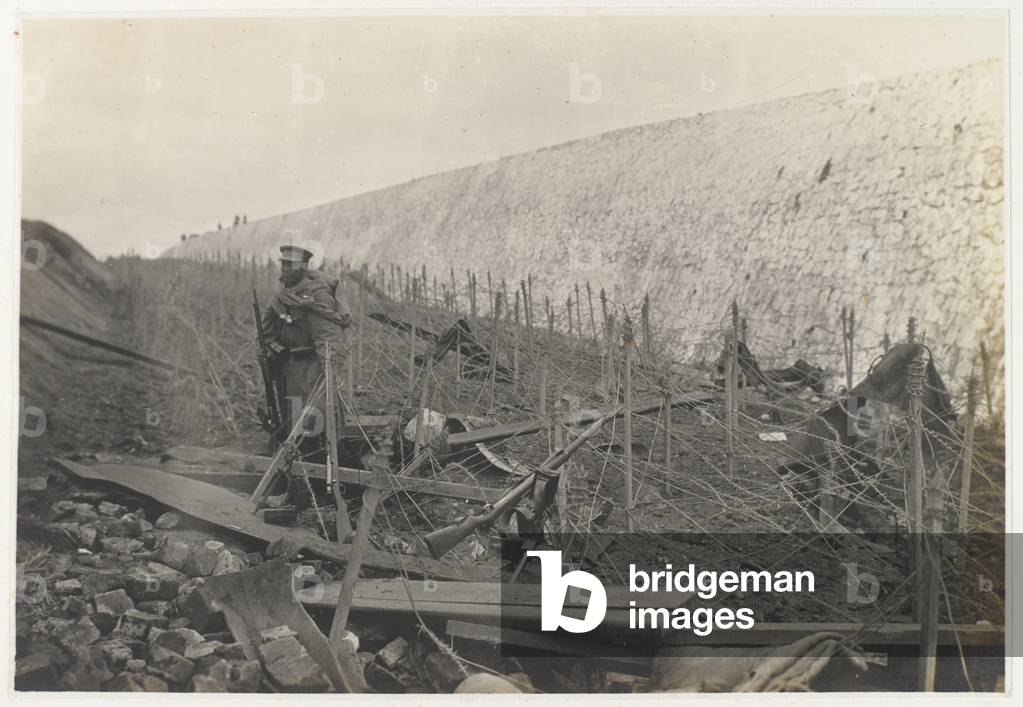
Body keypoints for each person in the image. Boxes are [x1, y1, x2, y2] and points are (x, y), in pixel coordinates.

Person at [260, 244, 351, 459]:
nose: (285, 269)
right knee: (291, 417)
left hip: (312, 368)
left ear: (302, 268)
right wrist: (274, 351)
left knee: (316, 420)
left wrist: (327, 373)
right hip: (288, 368)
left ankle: (318, 463)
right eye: (283, 264)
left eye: (290, 265)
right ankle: (293, 460)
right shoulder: (280, 296)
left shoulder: (316, 296)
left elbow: (328, 337)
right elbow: (265, 333)